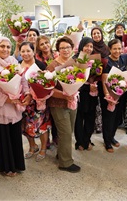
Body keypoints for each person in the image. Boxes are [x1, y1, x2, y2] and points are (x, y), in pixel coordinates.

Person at [0, 37, 31, 177]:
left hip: (14, 107)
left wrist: (26, 93)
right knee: (1, 140)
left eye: (8, 47)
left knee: (14, 137)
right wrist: (5, 99)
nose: (5, 49)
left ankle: (17, 164)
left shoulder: (13, 61)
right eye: (2, 46)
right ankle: (6, 167)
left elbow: (23, 79)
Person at [46, 36, 80, 173]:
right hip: (58, 103)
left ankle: (62, 153)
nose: (65, 50)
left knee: (69, 131)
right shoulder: (52, 66)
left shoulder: (76, 63)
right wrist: (65, 95)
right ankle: (65, 163)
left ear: (72, 49)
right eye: (62, 48)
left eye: (67, 47)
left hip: (72, 102)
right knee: (65, 132)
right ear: (58, 50)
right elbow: (48, 89)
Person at [19, 41, 51, 162]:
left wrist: (33, 95)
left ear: (33, 52)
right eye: (23, 51)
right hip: (23, 102)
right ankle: (33, 146)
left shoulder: (40, 65)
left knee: (42, 126)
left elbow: (46, 83)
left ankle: (43, 148)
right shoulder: (17, 65)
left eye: (28, 51)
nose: (25, 53)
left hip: (38, 101)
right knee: (26, 126)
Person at [101, 39, 127, 153]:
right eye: (115, 49)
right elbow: (104, 81)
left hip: (122, 94)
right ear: (109, 49)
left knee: (117, 118)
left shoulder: (123, 58)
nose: (117, 51)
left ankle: (112, 137)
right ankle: (107, 141)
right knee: (109, 118)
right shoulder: (106, 62)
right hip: (110, 96)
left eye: (119, 48)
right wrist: (108, 96)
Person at [74, 37, 98, 151]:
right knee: (79, 118)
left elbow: (97, 76)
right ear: (81, 46)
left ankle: (87, 140)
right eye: (86, 46)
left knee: (90, 118)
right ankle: (79, 141)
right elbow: (72, 80)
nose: (89, 48)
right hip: (80, 93)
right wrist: (88, 86)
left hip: (92, 94)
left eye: (91, 46)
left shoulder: (94, 60)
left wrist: (94, 84)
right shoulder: (75, 59)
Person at [35, 35, 59, 147]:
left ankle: (56, 137)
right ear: (38, 47)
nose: (45, 45)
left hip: (56, 89)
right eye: (42, 44)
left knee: (55, 117)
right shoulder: (37, 58)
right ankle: (46, 141)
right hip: (43, 91)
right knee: (45, 116)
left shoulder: (57, 55)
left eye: (46, 43)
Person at [91, 26, 109, 134]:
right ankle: (95, 126)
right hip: (93, 80)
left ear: (101, 34)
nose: (96, 35)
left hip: (105, 80)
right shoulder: (90, 48)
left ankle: (103, 127)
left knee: (104, 105)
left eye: (98, 33)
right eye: (94, 34)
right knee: (94, 106)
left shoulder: (106, 48)